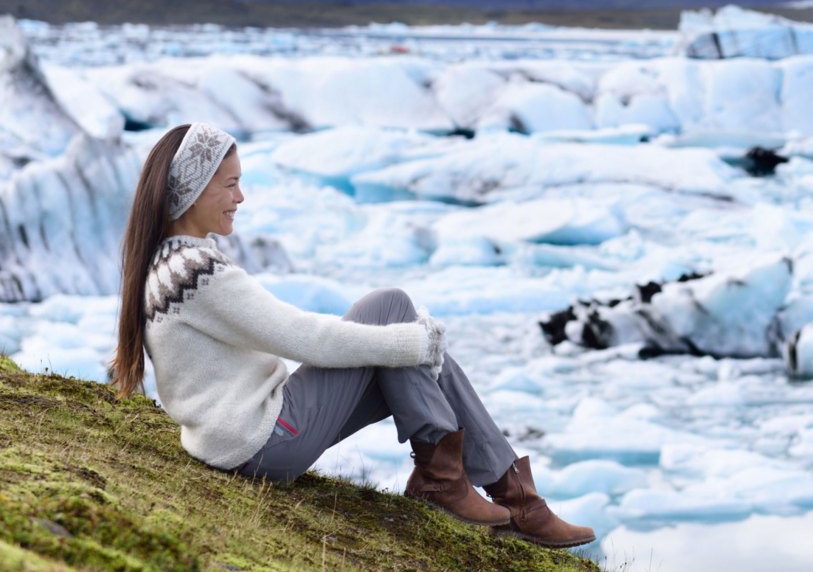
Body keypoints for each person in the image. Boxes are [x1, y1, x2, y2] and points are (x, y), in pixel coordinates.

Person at [109, 122, 594, 549]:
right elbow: (302, 337)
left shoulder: (169, 261)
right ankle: (488, 492)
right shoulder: (194, 271)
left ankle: (487, 491)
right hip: (263, 442)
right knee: (392, 309)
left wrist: (413, 349)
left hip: (240, 438)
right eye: (232, 184)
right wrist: (414, 344)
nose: (241, 198)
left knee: (403, 333)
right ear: (194, 190)